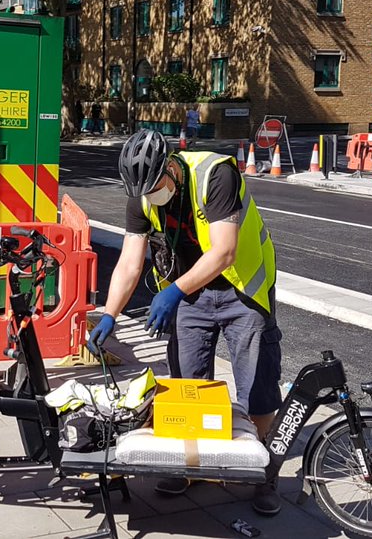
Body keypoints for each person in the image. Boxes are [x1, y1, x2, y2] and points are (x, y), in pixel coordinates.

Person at [86, 129, 283, 515]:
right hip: (192, 293)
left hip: (243, 290)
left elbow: (224, 252)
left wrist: (172, 291)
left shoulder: (216, 174)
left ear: (172, 167)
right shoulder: (140, 194)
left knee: (256, 386)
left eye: (157, 183)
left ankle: (264, 473)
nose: (151, 194)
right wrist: (109, 313)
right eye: (143, 189)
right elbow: (129, 261)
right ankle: (190, 464)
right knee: (186, 382)